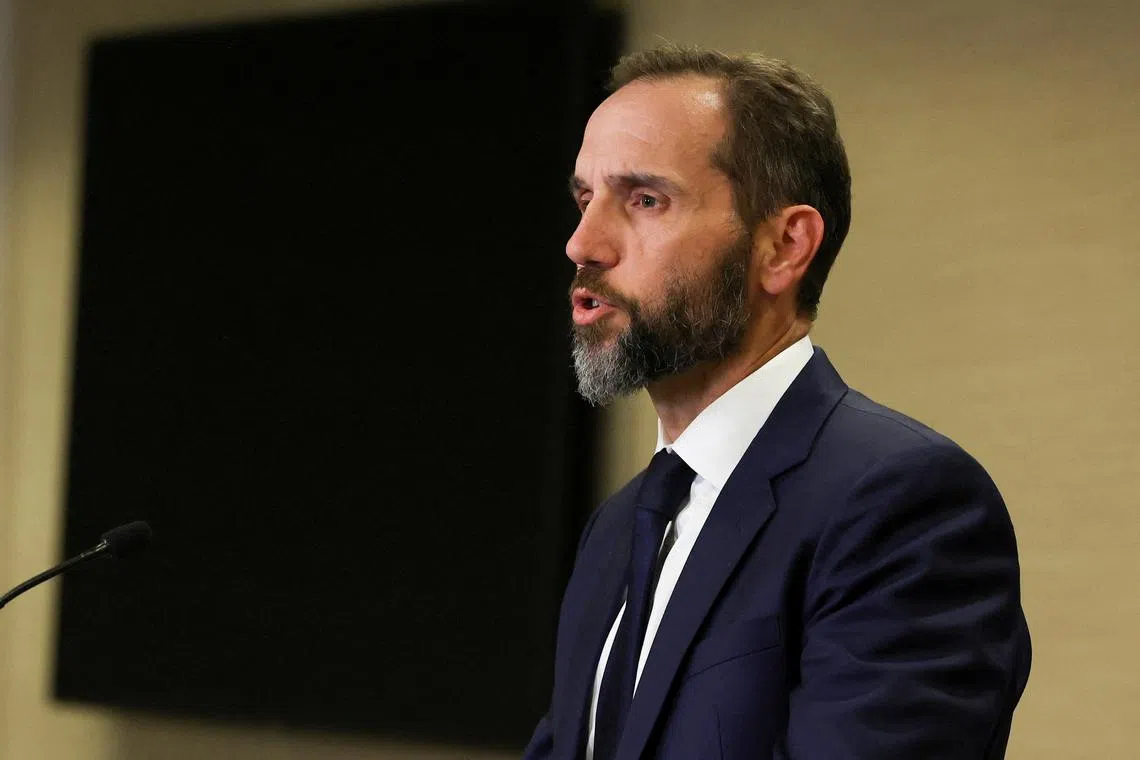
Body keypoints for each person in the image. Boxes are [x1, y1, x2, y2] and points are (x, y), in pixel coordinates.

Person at [523, 43, 1031, 760]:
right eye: (584, 198)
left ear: (784, 247)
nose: (584, 243)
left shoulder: (904, 507)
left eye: (644, 200)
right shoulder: (617, 527)